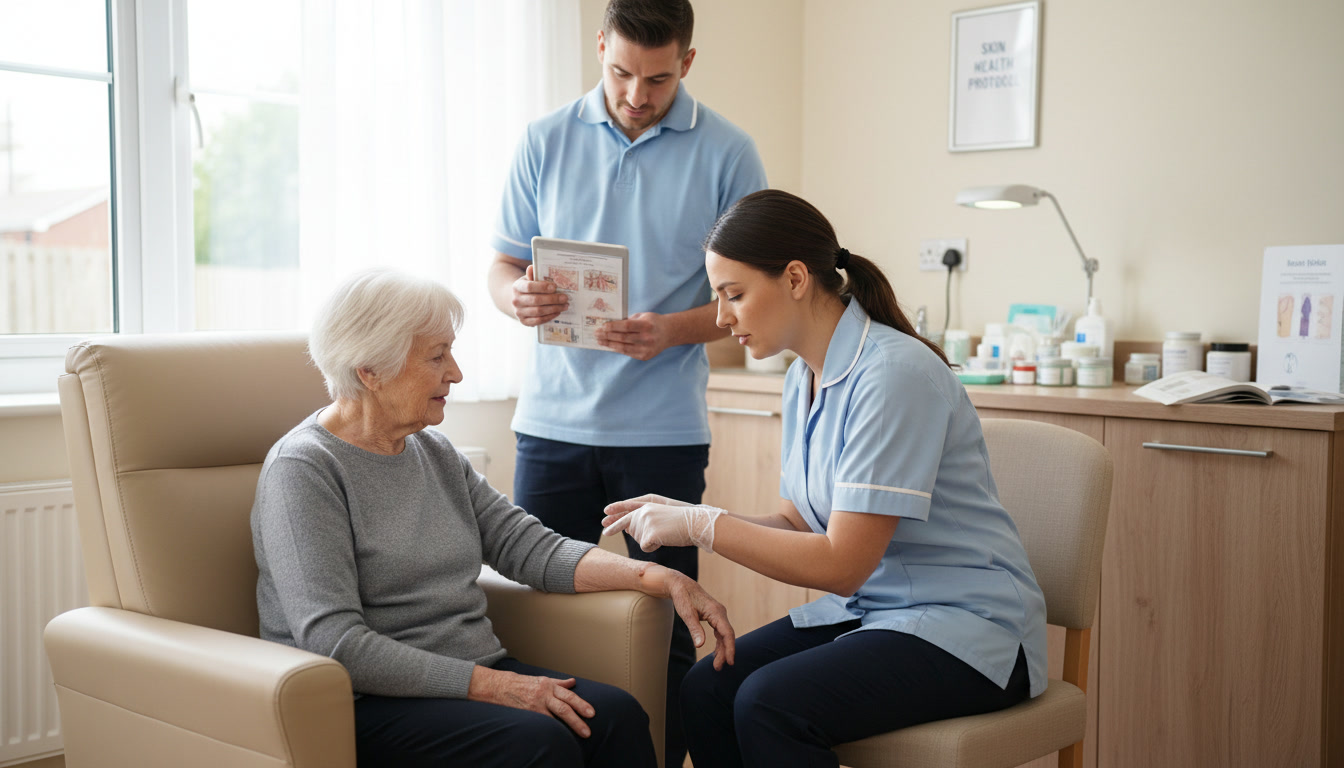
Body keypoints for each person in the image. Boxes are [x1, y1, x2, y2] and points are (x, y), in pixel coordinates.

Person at [602, 190, 1049, 767]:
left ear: (794, 278)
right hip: (879, 614)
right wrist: (687, 518)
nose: (720, 317)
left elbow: (841, 564)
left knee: (769, 703)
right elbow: (797, 519)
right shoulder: (803, 378)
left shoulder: (892, 374)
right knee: (708, 688)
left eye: (733, 294)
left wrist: (703, 524)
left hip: (969, 631)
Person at [251, 268, 735, 768]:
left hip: (468, 673)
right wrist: (498, 686)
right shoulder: (305, 469)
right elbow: (336, 643)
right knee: (539, 744)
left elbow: (528, 547)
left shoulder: (432, 451)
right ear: (370, 370)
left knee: (616, 717)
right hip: (368, 700)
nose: (455, 373)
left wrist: (657, 575)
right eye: (437, 356)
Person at [487, 1, 767, 763]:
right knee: (542, 620)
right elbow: (503, 264)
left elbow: (753, 294)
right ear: (600, 44)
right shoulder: (543, 140)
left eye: (658, 77)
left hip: (663, 432)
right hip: (551, 425)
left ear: (688, 62)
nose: (637, 94)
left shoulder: (729, 152)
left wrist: (671, 331)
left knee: (671, 623)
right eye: (620, 72)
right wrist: (514, 296)